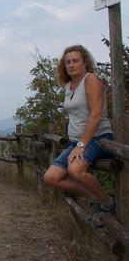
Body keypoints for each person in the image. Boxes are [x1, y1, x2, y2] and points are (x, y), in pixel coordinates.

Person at [43, 44, 115, 227]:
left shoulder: (91, 80)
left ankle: (108, 203)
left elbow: (96, 115)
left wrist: (82, 144)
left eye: (75, 60)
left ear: (85, 62)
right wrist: (78, 143)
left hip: (98, 138)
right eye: (68, 62)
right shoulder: (68, 86)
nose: (71, 65)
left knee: (75, 171)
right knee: (51, 177)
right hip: (77, 141)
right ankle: (94, 197)